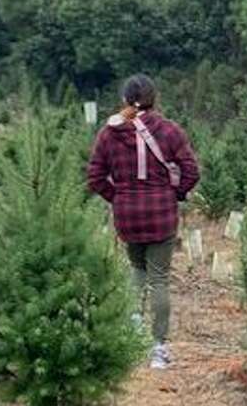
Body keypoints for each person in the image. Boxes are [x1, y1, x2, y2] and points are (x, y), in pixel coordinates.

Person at [85, 75, 200, 368]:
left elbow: (95, 177)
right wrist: (176, 193)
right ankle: (159, 349)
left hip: (128, 215)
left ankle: (133, 326)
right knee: (159, 277)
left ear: (125, 99)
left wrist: (118, 197)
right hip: (161, 213)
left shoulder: (109, 134)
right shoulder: (170, 130)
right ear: (154, 98)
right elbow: (191, 170)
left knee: (137, 269)